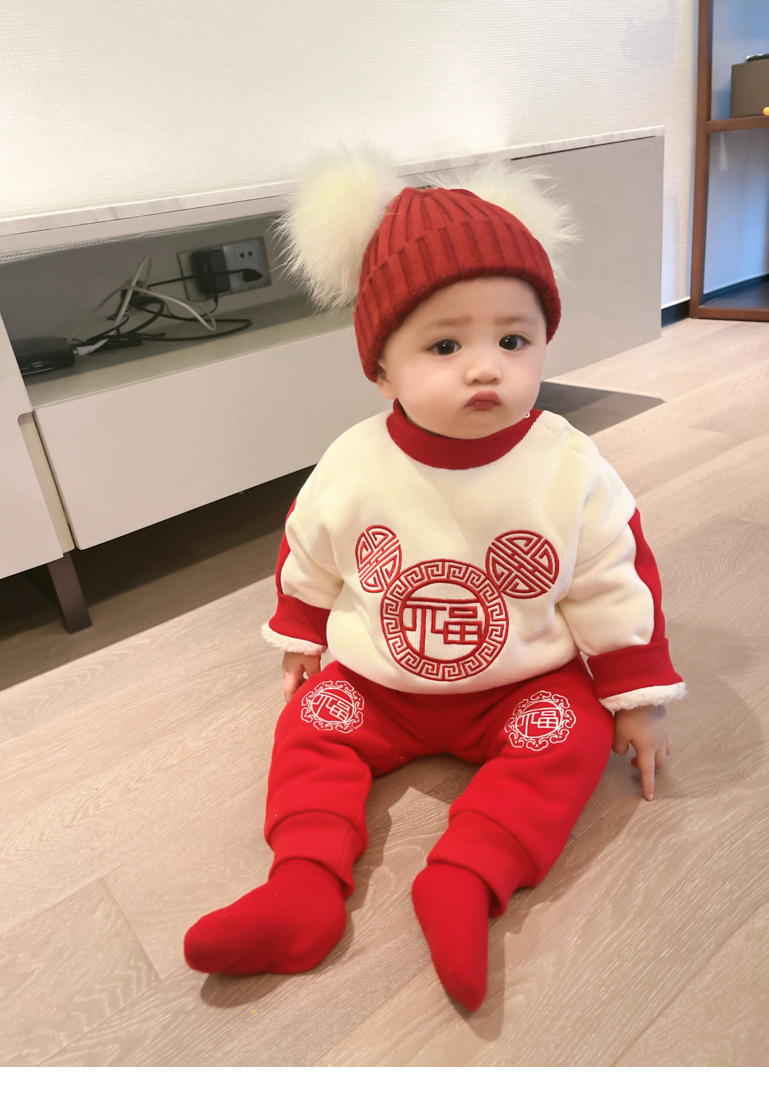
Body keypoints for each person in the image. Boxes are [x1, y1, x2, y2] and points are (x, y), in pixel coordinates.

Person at [183, 146, 686, 1010]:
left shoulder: (568, 466)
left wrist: (635, 697)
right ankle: (302, 883)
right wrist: (302, 632)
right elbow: (310, 549)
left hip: (519, 684)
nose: (485, 366)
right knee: (309, 724)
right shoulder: (355, 462)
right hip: (378, 684)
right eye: (445, 343)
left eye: (513, 339)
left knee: (571, 735)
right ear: (381, 367)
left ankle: (467, 875)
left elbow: (615, 577)